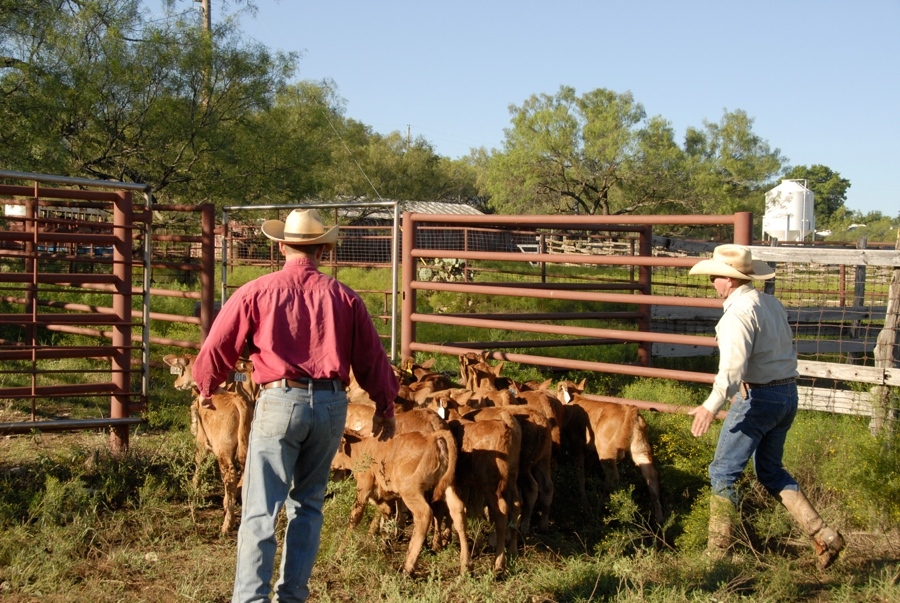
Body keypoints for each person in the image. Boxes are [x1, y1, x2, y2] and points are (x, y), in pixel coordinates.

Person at [191, 208, 399, 602]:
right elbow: (372, 358)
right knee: (307, 505)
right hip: (331, 405)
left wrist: (206, 385)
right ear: (321, 248)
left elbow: (220, 342)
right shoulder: (344, 297)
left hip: (279, 401)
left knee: (260, 509)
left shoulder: (256, 290)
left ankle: (250, 598)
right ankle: (293, 596)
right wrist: (385, 406)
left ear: (282, 246)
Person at [687, 244, 844, 569]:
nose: (713, 281)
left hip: (757, 398)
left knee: (722, 472)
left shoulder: (738, 315)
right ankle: (822, 534)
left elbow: (732, 369)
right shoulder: (770, 303)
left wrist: (709, 405)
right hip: (787, 394)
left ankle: (718, 556)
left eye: (715, 276)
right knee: (770, 470)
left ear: (729, 280)